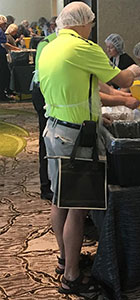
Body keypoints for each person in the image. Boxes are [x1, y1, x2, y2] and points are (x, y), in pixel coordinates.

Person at [38, 2, 140, 295]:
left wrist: (95, 110)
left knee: (59, 199)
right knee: (78, 206)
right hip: (76, 137)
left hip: (55, 128)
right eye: (91, 24)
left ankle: (63, 258)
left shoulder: (51, 48)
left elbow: (79, 88)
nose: (91, 29)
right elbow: (121, 80)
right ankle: (72, 276)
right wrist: (135, 67)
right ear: (82, 23)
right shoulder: (83, 47)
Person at [32, 32, 57, 201]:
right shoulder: (52, 43)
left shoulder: (47, 42)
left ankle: (48, 185)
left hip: (42, 92)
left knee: (47, 140)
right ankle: (47, 186)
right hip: (45, 94)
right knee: (47, 141)